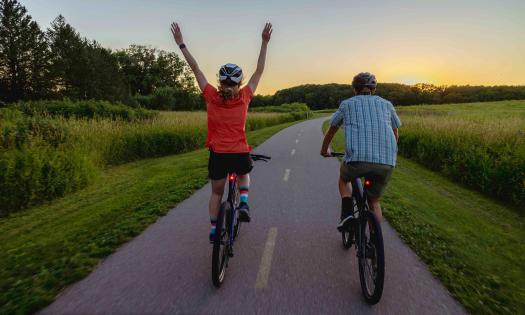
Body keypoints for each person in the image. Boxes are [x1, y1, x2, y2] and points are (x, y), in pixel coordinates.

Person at [170, 22, 273, 241]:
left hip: (218, 155)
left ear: (220, 81)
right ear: (239, 83)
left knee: (217, 192)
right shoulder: (244, 96)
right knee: (244, 174)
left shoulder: (211, 96)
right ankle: (243, 203)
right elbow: (259, 70)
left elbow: (195, 69)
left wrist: (181, 44)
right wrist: (264, 42)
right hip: (238, 153)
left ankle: (213, 230)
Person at [320, 72, 401, 231]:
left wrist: (324, 150)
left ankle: (348, 215)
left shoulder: (347, 104)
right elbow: (395, 131)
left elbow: (332, 129)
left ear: (354, 89)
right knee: (374, 202)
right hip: (386, 163)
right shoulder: (387, 104)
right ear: (373, 88)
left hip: (358, 160)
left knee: (344, 179)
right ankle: (374, 242)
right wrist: (389, 150)